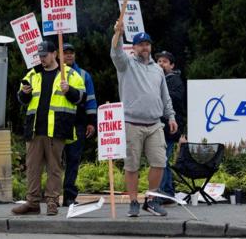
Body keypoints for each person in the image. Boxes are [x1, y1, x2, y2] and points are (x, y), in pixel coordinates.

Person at [110, 23, 178, 217]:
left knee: (159, 162)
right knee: (131, 165)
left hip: (155, 123)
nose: (144, 47)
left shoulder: (158, 70)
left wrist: (171, 116)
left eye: (147, 44)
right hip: (131, 123)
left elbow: (165, 96)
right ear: (134, 47)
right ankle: (133, 202)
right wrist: (118, 34)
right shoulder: (125, 64)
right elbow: (115, 52)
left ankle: (151, 200)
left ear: (150, 47)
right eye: (140, 44)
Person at [12, 40, 86, 216]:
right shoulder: (32, 74)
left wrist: (70, 90)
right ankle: (32, 203)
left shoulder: (69, 74)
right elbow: (21, 99)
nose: (42, 59)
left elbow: (82, 98)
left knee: (54, 167)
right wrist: (24, 93)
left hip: (57, 128)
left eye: (44, 55)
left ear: (55, 54)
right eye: (40, 56)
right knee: (32, 167)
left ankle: (52, 202)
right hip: (35, 129)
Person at [61, 42, 98, 207]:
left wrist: (91, 122)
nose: (69, 55)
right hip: (56, 123)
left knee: (73, 160)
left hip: (77, 123)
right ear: (58, 55)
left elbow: (90, 100)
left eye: (71, 52)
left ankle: (69, 196)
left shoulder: (83, 75)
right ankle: (52, 196)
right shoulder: (53, 73)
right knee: (54, 161)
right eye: (65, 53)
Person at [154, 51, 186, 203]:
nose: (161, 64)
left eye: (165, 61)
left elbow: (175, 99)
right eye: (159, 61)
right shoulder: (157, 79)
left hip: (170, 127)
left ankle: (165, 193)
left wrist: (159, 94)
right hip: (159, 126)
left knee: (162, 160)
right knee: (162, 160)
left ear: (172, 65)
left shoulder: (175, 80)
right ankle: (168, 191)